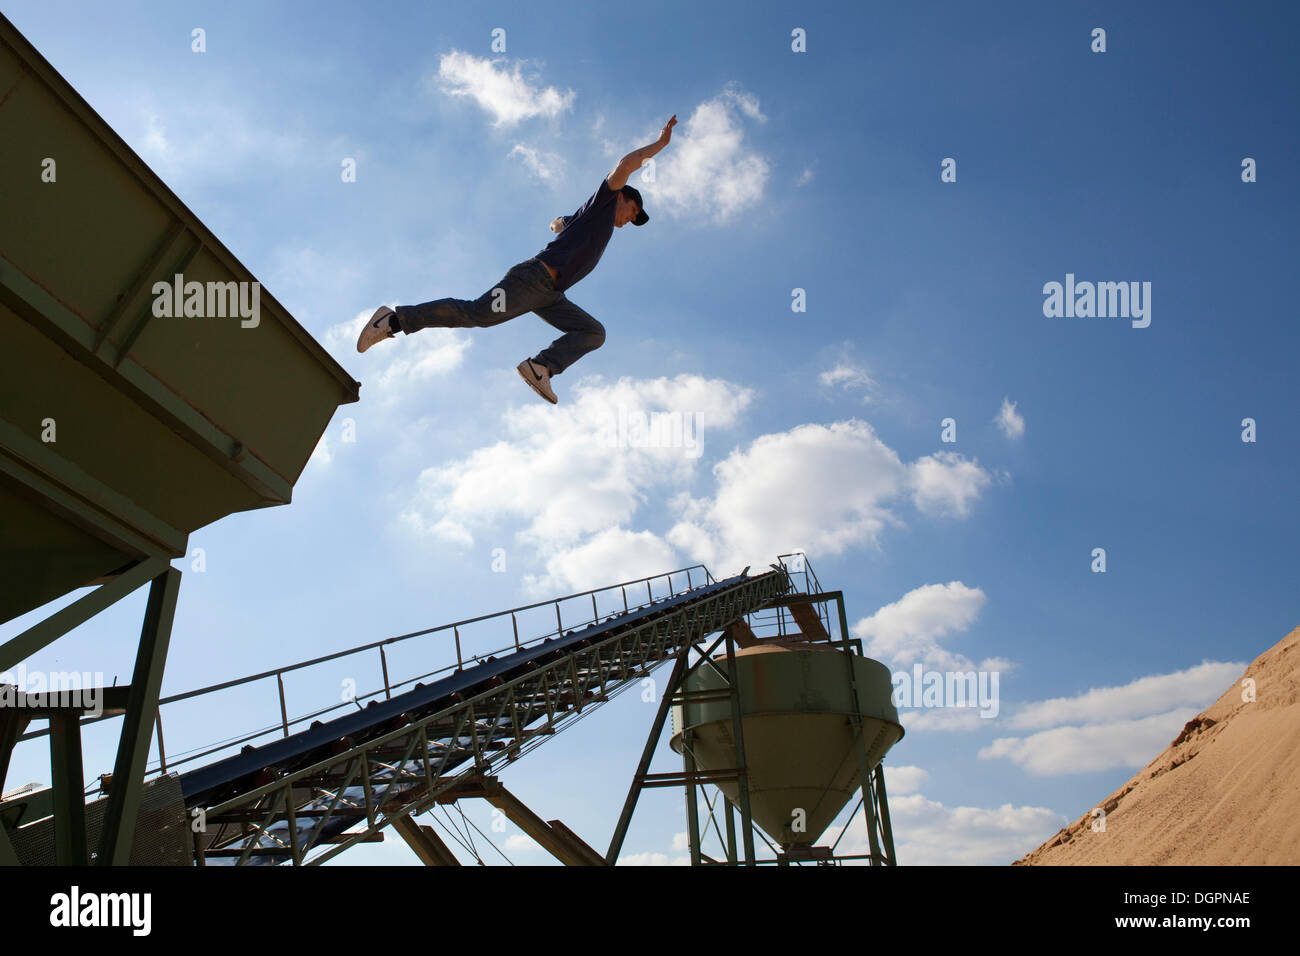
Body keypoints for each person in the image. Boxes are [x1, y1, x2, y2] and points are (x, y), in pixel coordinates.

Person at [357, 115, 678, 404]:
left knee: (594, 332)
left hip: (550, 295)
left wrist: (559, 223)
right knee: (476, 314)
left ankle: (540, 367)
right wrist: (660, 144)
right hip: (532, 280)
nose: (629, 220)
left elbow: (563, 223)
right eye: (633, 212)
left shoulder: (592, 218)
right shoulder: (606, 202)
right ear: (623, 197)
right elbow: (625, 164)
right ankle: (394, 320)